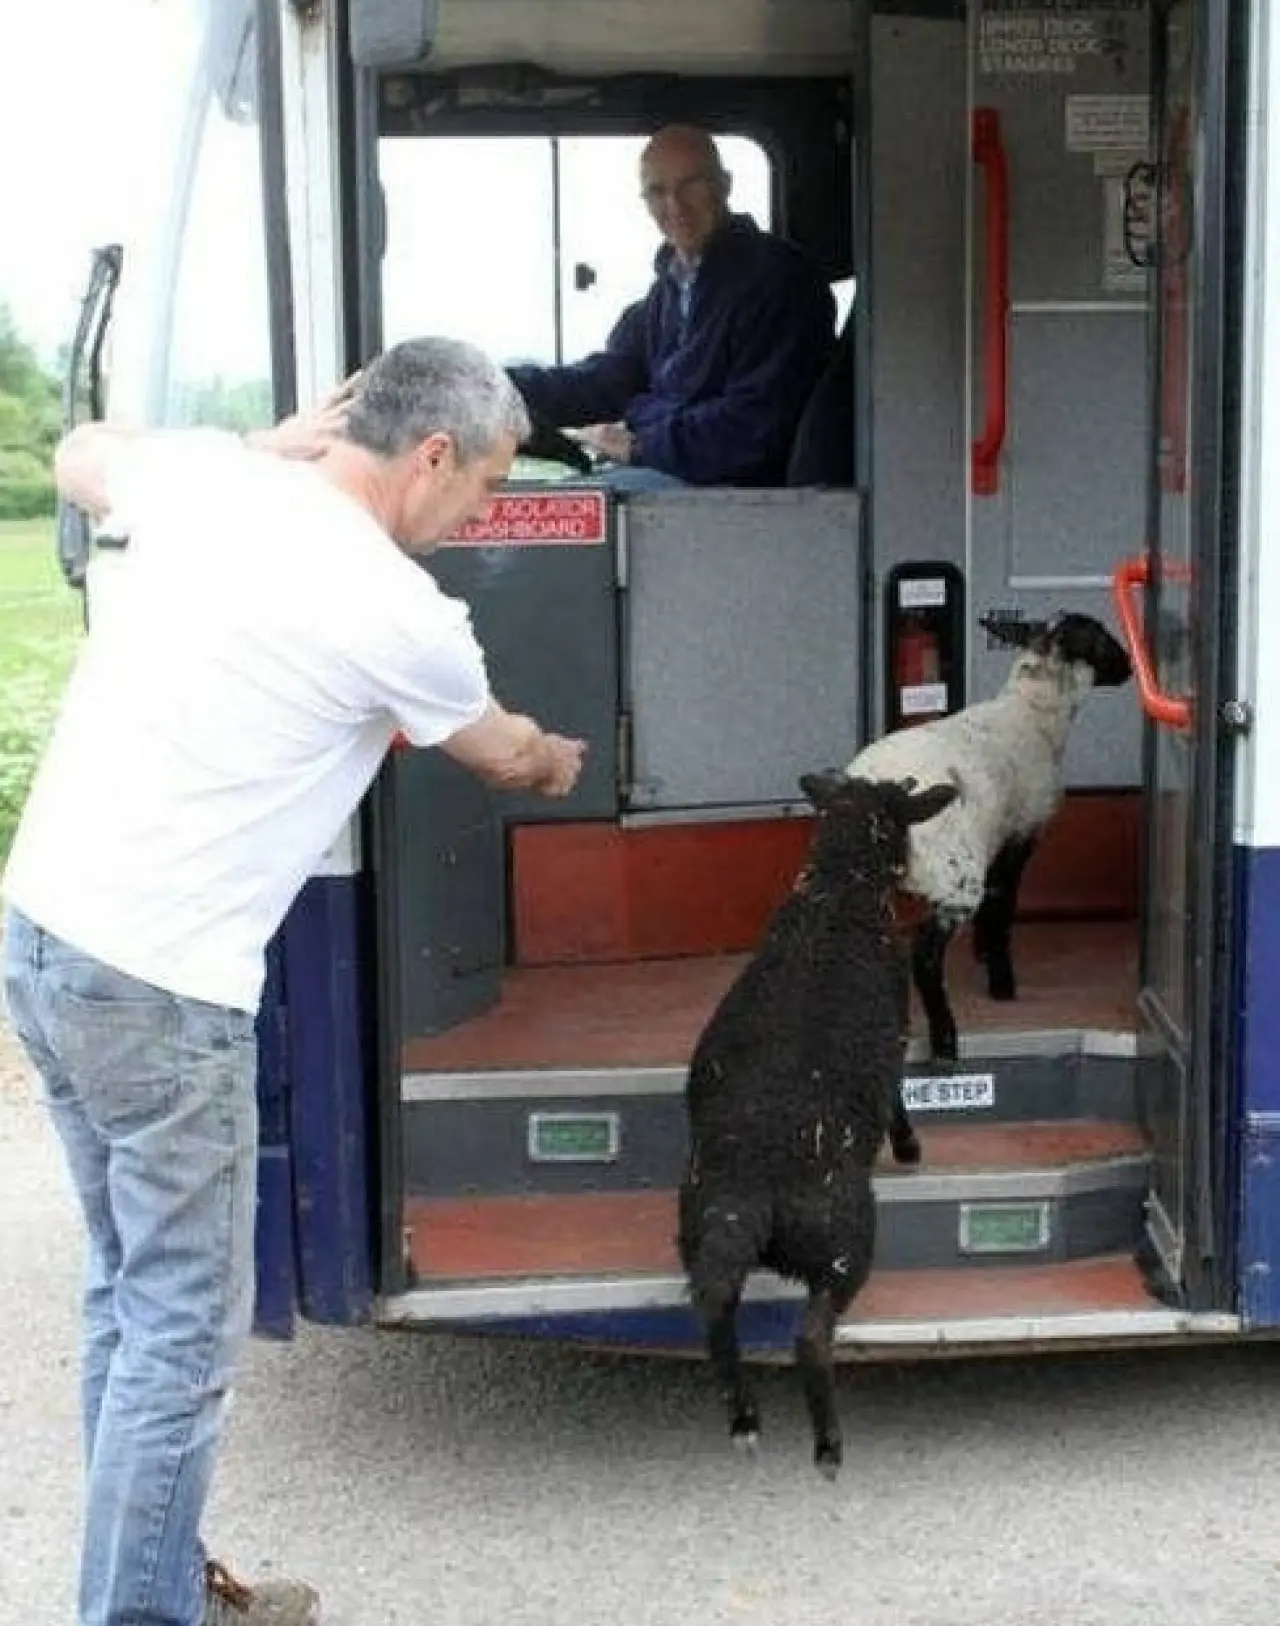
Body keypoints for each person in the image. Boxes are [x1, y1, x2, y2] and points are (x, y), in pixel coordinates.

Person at [0, 337, 586, 1626]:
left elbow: (80, 453)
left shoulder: (210, 481)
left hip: (44, 933)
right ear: (429, 453)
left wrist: (249, 448)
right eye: (483, 485)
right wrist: (555, 760)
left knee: (127, 1292)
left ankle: (149, 1585)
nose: (479, 515)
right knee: (181, 1336)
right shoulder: (401, 615)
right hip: (159, 982)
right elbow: (498, 754)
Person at [508, 124, 837, 490]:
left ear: (724, 185)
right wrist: (501, 387)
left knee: (562, 520)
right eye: (657, 191)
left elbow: (754, 424)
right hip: (672, 470)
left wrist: (639, 445)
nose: (675, 205)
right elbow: (605, 382)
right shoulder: (667, 293)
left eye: (691, 185)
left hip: (734, 492)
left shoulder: (777, 280)